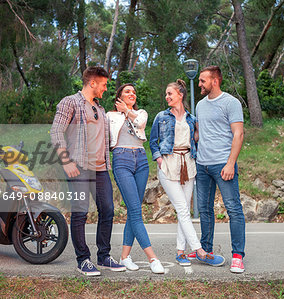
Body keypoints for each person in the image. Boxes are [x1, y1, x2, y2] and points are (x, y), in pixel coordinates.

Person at [50, 66, 126, 276]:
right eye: (103, 84)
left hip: (100, 169)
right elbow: (56, 132)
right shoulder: (71, 102)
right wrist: (66, 162)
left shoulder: (100, 109)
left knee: (108, 210)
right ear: (92, 83)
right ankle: (83, 260)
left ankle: (104, 257)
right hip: (79, 167)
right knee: (80, 212)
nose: (105, 89)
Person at [149, 79, 225, 267]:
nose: (167, 97)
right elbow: (153, 141)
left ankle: (181, 252)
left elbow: (197, 138)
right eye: (166, 94)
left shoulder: (192, 119)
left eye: (170, 94)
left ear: (180, 95)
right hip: (168, 165)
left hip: (188, 165)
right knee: (182, 209)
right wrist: (159, 158)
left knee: (185, 211)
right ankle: (200, 251)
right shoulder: (162, 116)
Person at [107, 83, 165, 274]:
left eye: (133, 92)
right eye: (127, 91)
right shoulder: (111, 116)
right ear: (119, 97)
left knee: (135, 210)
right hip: (121, 159)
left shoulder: (141, 113)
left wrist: (128, 111)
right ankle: (153, 258)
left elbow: (140, 124)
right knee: (135, 211)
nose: (132, 93)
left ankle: (124, 257)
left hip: (141, 160)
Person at [195, 66, 245, 274]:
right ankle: (206, 251)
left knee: (233, 209)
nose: (199, 84)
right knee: (205, 211)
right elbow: (200, 133)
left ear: (215, 81)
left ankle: (238, 256)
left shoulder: (231, 103)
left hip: (223, 165)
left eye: (202, 81)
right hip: (202, 164)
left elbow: (239, 134)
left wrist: (231, 163)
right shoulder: (199, 105)